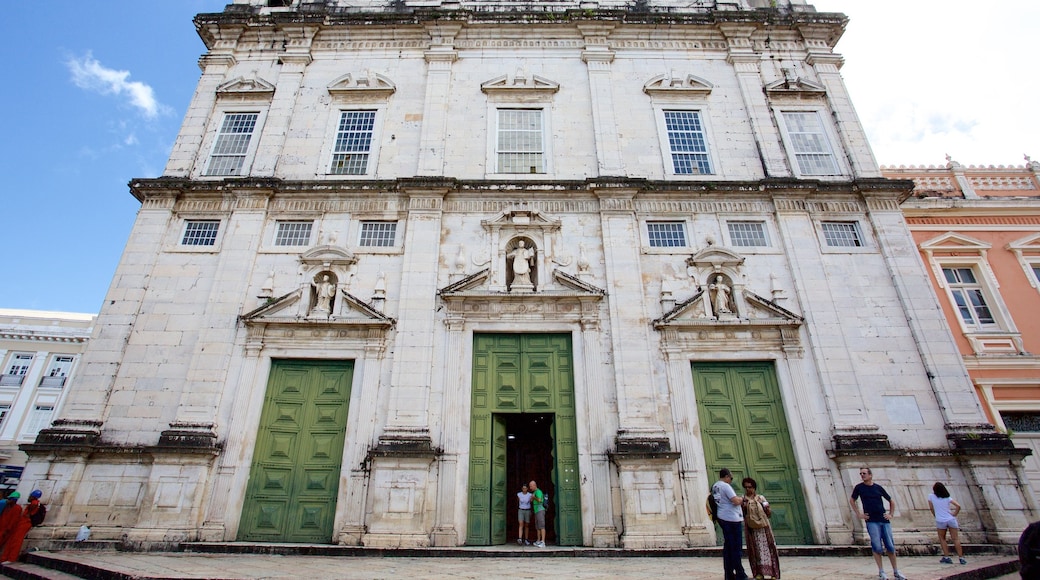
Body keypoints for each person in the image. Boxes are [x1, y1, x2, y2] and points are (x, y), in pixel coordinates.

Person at [850, 467, 907, 580]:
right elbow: (852, 500)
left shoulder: (878, 488)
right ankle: (881, 571)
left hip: (884, 520)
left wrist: (891, 514)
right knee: (877, 546)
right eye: (861, 473)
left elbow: (891, 500)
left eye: (864, 473)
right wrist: (859, 514)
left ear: (870, 475)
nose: (862, 475)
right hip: (871, 521)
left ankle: (896, 571)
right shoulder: (859, 488)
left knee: (890, 546)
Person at [713, 468, 749, 580]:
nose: (731, 480)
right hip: (731, 519)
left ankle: (728, 573)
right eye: (731, 478)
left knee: (728, 547)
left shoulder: (715, 486)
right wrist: (742, 499)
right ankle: (740, 573)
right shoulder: (725, 486)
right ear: (727, 476)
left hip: (722, 517)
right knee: (735, 547)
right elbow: (735, 501)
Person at [742, 477, 780, 580]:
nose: (748, 489)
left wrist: (766, 508)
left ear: (754, 487)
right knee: (755, 550)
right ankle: (759, 573)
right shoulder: (743, 499)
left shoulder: (761, 498)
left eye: (750, 487)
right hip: (751, 529)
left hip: (763, 527)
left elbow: (769, 513)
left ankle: (773, 573)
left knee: (769, 547)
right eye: (746, 487)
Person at [928, 482, 965, 565]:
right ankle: (961, 557)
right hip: (951, 519)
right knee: (955, 538)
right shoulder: (947, 497)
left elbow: (931, 508)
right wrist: (954, 514)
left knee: (942, 538)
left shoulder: (931, 496)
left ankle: (947, 557)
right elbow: (958, 506)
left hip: (940, 520)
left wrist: (935, 515)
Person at [1, 490, 43, 563]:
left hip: (24, 524)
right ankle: (6, 558)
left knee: (16, 542)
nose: (28, 497)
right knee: (12, 541)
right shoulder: (33, 504)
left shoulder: (34, 504)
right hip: (21, 524)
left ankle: (11, 558)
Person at [529, 480, 546, 548]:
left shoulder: (538, 491)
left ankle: (543, 541)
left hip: (540, 510)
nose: (530, 488)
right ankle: (538, 540)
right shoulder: (534, 492)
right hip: (536, 511)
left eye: (531, 486)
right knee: (538, 527)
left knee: (541, 526)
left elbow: (539, 500)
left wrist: (534, 497)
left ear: (534, 485)